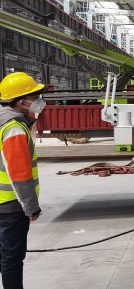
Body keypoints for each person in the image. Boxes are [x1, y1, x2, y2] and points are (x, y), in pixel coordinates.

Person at [0, 72, 45, 289]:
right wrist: (31, 207)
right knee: (11, 259)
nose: (38, 101)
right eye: (35, 96)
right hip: (9, 206)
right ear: (20, 101)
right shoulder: (13, 128)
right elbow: (19, 174)